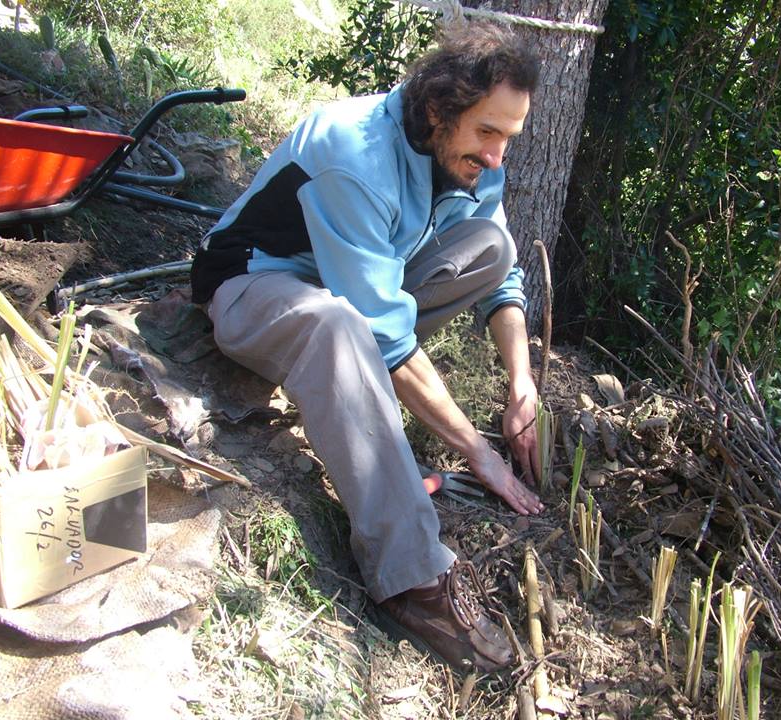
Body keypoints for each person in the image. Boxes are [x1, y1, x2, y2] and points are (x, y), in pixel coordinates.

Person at [190, 21, 543, 674]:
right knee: (343, 329)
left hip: (349, 281)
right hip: (255, 283)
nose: (498, 155)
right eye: (488, 132)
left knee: (488, 249)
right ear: (439, 109)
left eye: (509, 137)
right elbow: (376, 330)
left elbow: (504, 275)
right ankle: (413, 578)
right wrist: (478, 452)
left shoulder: (472, 158)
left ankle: (358, 396)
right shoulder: (353, 151)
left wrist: (522, 384)